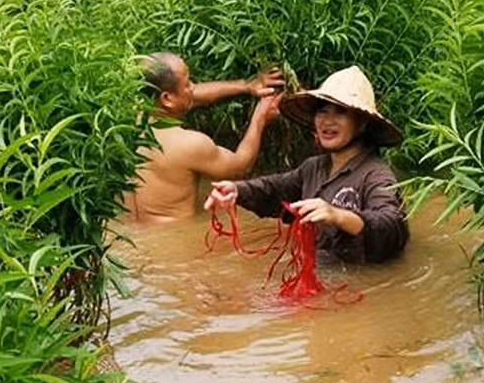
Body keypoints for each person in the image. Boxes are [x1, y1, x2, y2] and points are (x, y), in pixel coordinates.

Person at [204, 65, 409, 264]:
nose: (327, 121)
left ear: (362, 123)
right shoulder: (314, 167)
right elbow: (275, 189)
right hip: (318, 266)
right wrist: (237, 191)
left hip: (355, 285)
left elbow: (393, 228)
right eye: (322, 111)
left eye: (340, 112)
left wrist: (338, 215)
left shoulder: (376, 175)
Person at [124, 51, 284, 223]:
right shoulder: (189, 144)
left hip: (134, 236)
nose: (193, 87)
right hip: (175, 238)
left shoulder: (127, 123)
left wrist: (246, 86)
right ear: (167, 98)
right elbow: (240, 167)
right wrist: (260, 117)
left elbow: (193, 95)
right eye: (187, 84)